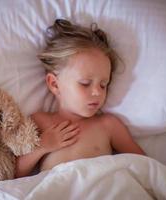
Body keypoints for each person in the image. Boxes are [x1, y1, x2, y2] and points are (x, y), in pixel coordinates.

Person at [15, 19, 145, 178]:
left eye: (104, 85)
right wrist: (43, 146)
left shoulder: (108, 125)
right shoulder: (41, 122)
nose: (97, 92)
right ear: (55, 84)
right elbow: (16, 174)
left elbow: (144, 165)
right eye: (85, 83)